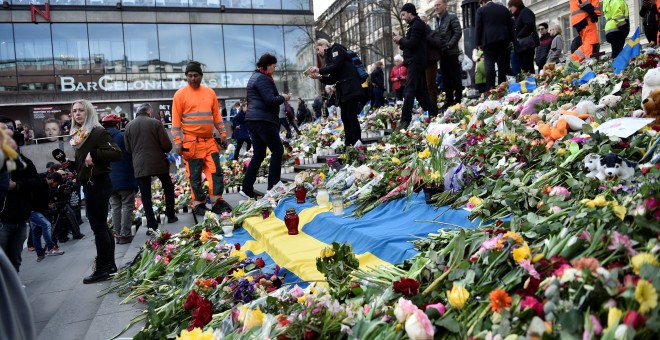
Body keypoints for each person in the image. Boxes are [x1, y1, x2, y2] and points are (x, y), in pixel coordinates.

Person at [68, 99, 121, 284]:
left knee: (98, 227)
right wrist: (72, 165)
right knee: (102, 227)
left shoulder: (97, 131)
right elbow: (87, 163)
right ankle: (110, 265)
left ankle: (103, 268)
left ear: (89, 112)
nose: (77, 114)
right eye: (74, 111)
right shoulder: (79, 134)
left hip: (98, 184)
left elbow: (116, 153)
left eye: (81, 110)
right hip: (90, 182)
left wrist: (96, 154)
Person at [172, 61, 231, 216]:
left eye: (195, 75)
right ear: (186, 77)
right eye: (190, 75)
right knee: (195, 175)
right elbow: (176, 123)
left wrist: (223, 134)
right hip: (192, 143)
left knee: (215, 172)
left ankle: (217, 201)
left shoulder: (210, 93)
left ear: (201, 76)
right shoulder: (180, 95)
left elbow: (217, 117)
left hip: (210, 141)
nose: (193, 78)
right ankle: (199, 203)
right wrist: (178, 143)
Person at [240, 53, 289, 199]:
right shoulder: (263, 78)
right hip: (263, 120)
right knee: (278, 150)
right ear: (268, 65)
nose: (274, 68)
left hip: (254, 119)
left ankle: (247, 188)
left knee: (259, 154)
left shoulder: (255, 76)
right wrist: (283, 98)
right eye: (274, 66)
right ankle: (273, 186)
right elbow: (269, 100)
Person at [124, 103, 177, 235]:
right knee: (168, 187)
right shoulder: (156, 123)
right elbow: (166, 145)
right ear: (149, 112)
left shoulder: (129, 126)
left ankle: (151, 225)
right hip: (158, 163)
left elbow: (128, 149)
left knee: (146, 195)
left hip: (140, 165)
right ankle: (170, 215)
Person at [0, 116, 40, 273]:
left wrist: (17, 185)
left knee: (15, 260)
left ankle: (13, 290)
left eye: (10, 130)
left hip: (20, 219)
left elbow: (36, 182)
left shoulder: (22, 160)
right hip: (3, 221)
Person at [307, 38, 364, 147]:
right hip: (343, 90)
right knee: (345, 118)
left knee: (351, 116)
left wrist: (318, 70)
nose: (319, 52)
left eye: (318, 49)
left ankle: (357, 142)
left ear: (324, 45)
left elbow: (336, 66)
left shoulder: (336, 49)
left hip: (351, 87)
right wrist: (319, 77)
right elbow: (333, 78)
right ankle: (349, 144)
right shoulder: (329, 58)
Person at [392, 3, 439, 128]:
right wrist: (400, 41)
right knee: (419, 92)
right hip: (413, 60)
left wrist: (401, 40)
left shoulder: (417, 24)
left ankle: (405, 120)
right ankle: (434, 114)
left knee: (409, 90)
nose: (402, 17)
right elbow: (410, 44)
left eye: (403, 14)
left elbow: (413, 43)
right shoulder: (412, 25)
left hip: (416, 61)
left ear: (409, 12)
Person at [101, 114, 138, 244]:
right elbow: (132, 155)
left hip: (109, 180)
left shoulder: (100, 140)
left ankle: (117, 234)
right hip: (125, 178)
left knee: (115, 207)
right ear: (118, 125)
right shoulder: (122, 137)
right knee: (127, 205)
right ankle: (125, 234)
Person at [431, 0, 463, 109]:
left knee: (455, 76)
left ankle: (458, 98)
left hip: (451, 52)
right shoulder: (436, 20)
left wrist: (449, 45)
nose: (436, 7)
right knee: (445, 78)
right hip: (441, 53)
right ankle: (449, 99)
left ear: (445, 5)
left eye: (438, 5)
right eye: (435, 5)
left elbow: (458, 32)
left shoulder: (452, 17)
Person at [476, 0, 514, 89]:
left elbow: (478, 27)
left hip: (488, 41)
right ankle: (502, 87)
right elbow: (510, 25)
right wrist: (510, 40)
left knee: (489, 65)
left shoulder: (481, 10)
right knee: (502, 65)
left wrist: (478, 43)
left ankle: (491, 88)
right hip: (503, 40)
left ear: (482, 2)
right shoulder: (503, 9)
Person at [30, 171, 65, 262]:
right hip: (32, 210)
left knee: (36, 232)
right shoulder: (39, 183)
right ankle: (51, 247)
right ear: (52, 180)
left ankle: (40, 254)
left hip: (35, 209)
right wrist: (46, 205)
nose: (55, 186)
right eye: (56, 183)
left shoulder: (44, 184)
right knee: (46, 225)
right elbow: (37, 198)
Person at [509, 0, 538, 74]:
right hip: (522, 46)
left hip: (527, 45)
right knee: (525, 68)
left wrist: (519, 36)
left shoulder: (525, 12)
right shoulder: (518, 15)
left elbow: (529, 24)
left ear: (516, 5)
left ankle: (530, 83)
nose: (510, 9)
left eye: (511, 6)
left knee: (528, 66)